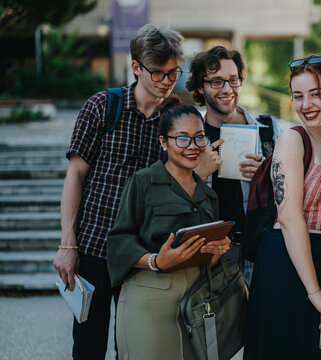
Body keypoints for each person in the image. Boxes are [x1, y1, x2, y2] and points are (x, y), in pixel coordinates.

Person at [52, 24, 185, 359]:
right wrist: (68, 244)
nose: (166, 81)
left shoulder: (176, 118)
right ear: (136, 67)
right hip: (95, 247)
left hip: (144, 254)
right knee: (88, 348)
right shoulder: (102, 106)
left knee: (139, 347)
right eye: (157, 73)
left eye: (173, 73)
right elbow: (75, 176)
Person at [243, 55, 321, 360]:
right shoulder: (293, 140)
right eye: (298, 95)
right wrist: (314, 292)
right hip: (288, 265)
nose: (306, 104)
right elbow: (290, 216)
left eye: (315, 93)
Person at [106, 103, 231, 359]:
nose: (193, 146)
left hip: (195, 301)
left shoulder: (208, 194)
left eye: (199, 137)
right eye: (182, 138)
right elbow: (118, 242)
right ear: (164, 142)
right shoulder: (143, 181)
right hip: (151, 299)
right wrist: (156, 261)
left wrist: (218, 249)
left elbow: (210, 259)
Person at [185, 45, 281, 283]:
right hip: (209, 255)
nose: (227, 89)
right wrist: (198, 174)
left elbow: (292, 192)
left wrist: (266, 174)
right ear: (200, 86)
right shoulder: (186, 134)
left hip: (259, 253)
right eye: (216, 82)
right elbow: (170, 198)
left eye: (233, 80)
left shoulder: (269, 130)